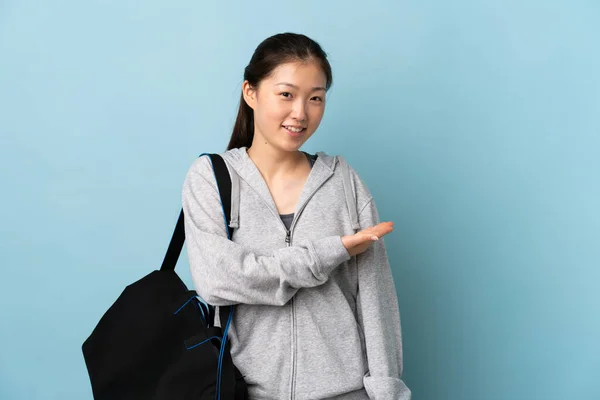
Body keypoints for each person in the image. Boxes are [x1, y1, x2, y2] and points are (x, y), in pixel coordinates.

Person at [182, 32, 411, 400]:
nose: (301, 113)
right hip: (246, 392)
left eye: (316, 98)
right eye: (286, 94)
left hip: (346, 392)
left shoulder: (342, 182)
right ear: (251, 92)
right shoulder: (211, 178)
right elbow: (217, 281)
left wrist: (387, 393)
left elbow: (375, 300)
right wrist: (328, 253)